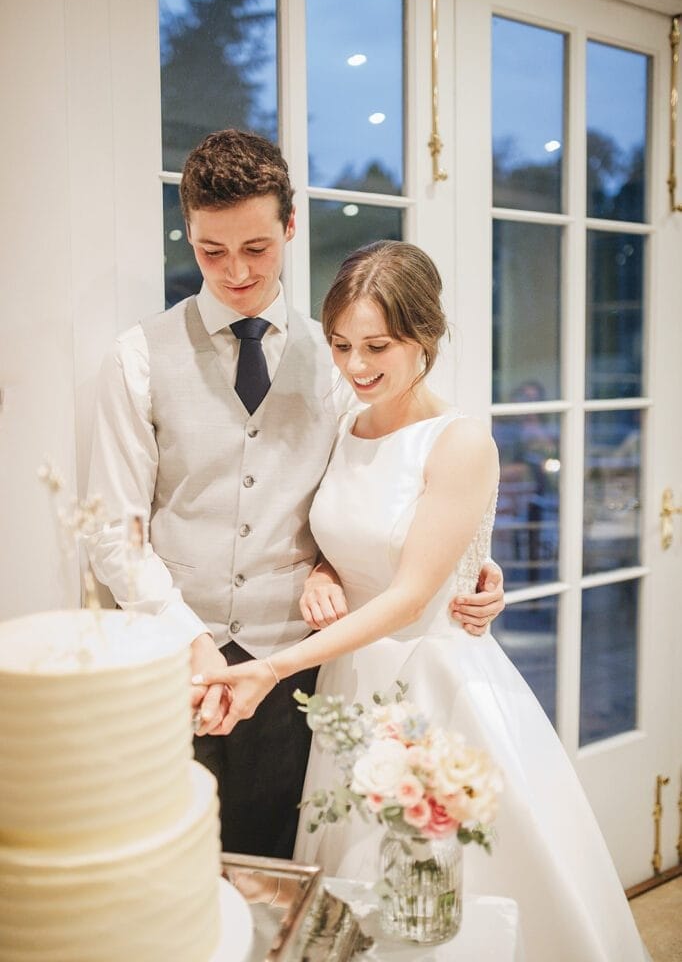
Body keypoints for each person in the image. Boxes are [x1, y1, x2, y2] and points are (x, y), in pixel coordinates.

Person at [195, 240, 648, 961]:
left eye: (378, 345)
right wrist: (322, 569)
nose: (355, 365)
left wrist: (273, 669)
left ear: (425, 336)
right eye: (342, 344)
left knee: (444, 897)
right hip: (353, 685)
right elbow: (347, 528)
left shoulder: (460, 441)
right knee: (361, 894)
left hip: (435, 686)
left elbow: (409, 596)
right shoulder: (349, 421)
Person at [86, 130, 505, 859]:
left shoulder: (343, 354)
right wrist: (190, 639)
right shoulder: (136, 358)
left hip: (304, 664)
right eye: (211, 252)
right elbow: (114, 532)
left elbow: (376, 490)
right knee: (168, 865)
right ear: (188, 234)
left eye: (256, 247)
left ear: (288, 226)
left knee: (287, 866)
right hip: (173, 660)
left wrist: (458, 567)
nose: (236, 272)